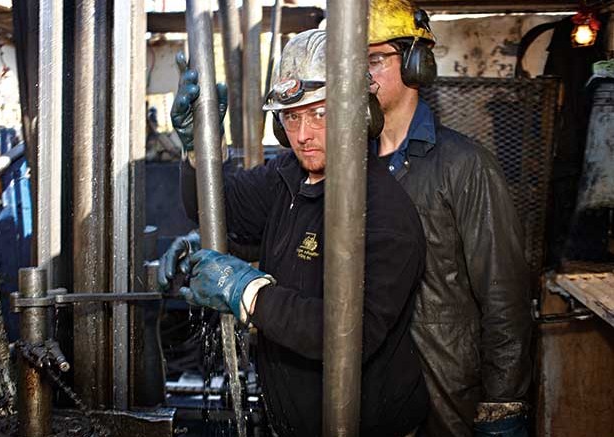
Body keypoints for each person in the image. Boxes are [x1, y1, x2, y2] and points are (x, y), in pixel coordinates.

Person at [161, 29, 428, 437]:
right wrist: (200, 149)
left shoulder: (386, 213)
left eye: (320, 114)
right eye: (292, 116)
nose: (303, 135)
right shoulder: (286, 177)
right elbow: (217, 208)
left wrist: (247, 293)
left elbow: (347, 335)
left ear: (359, 112)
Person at [365, 1, 533, 436]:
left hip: (443, 390)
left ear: (416, 63)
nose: (361, 73)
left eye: (374, 59)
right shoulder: (349, 169)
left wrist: (504, 403)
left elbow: (504, 292)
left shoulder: (465, 165)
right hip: (370, 391)